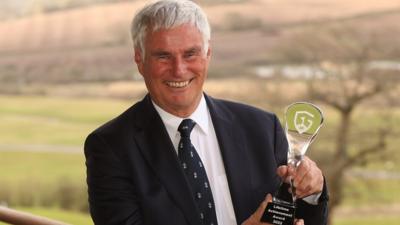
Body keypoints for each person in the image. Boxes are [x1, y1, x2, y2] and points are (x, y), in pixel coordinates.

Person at [84, 0, 329, 225]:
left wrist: (312, 191)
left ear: (208, 54)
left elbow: (299, 216)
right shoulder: (110, 147)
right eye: (163, 56)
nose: (178, 70)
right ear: (140, 60)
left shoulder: (262, 128)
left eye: (190, 54)